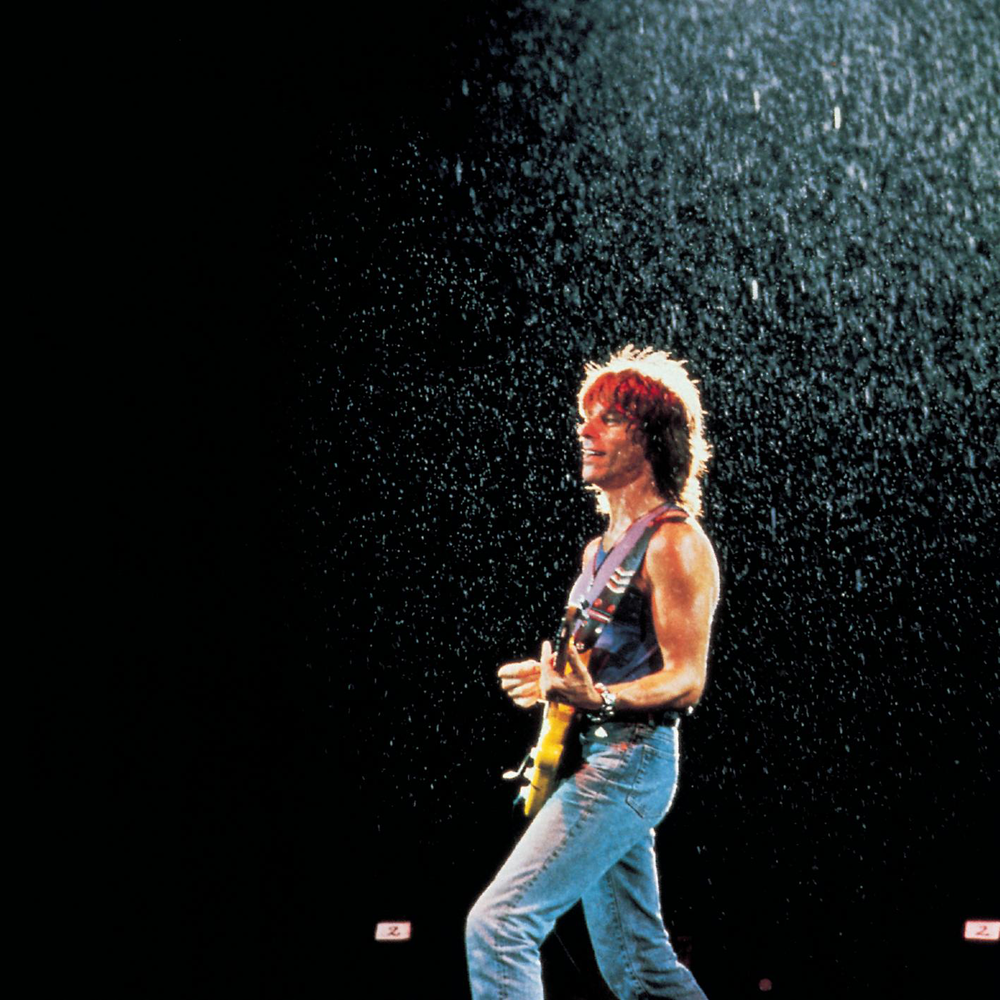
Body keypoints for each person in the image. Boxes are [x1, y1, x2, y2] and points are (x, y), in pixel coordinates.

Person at [466, 345, 720, 1000]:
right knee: (641, 970)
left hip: (633, 762)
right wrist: (554, 681)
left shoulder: (676, 542)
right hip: (597, 757)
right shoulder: (599, 550)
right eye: (588, 417)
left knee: (499, 925)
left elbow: (686, 679)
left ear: (650, 438)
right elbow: (599, 662)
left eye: (608, 418)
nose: (585, 430)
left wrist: (597, 694)